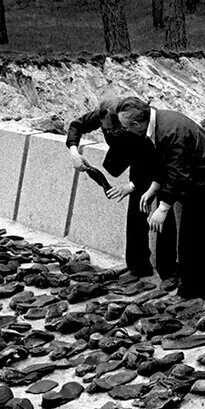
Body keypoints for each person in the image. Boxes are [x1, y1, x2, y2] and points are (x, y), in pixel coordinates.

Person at [115, 97, 205, 301]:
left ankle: (191, 292)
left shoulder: (170, 131)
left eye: (126, 127)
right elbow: (165, 164)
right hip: (196, 180)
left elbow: (178, 174)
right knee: (194, 237)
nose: (126, 131)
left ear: (136, 124)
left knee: (190, 239)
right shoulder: (158, 124)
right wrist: (154, 188)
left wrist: (163, 208)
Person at [66, 97, 177, 281]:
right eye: (105, 129)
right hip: (133, 159)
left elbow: (154, 161)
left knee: (162, 215)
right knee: (136, 213)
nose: (108, 131)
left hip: (158, 165)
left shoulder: (137, 127)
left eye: (113, 129)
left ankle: (168, 271)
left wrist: (132, 186)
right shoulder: (103, 114)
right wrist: (74, 152)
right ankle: (139, 266)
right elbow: (76, 126)